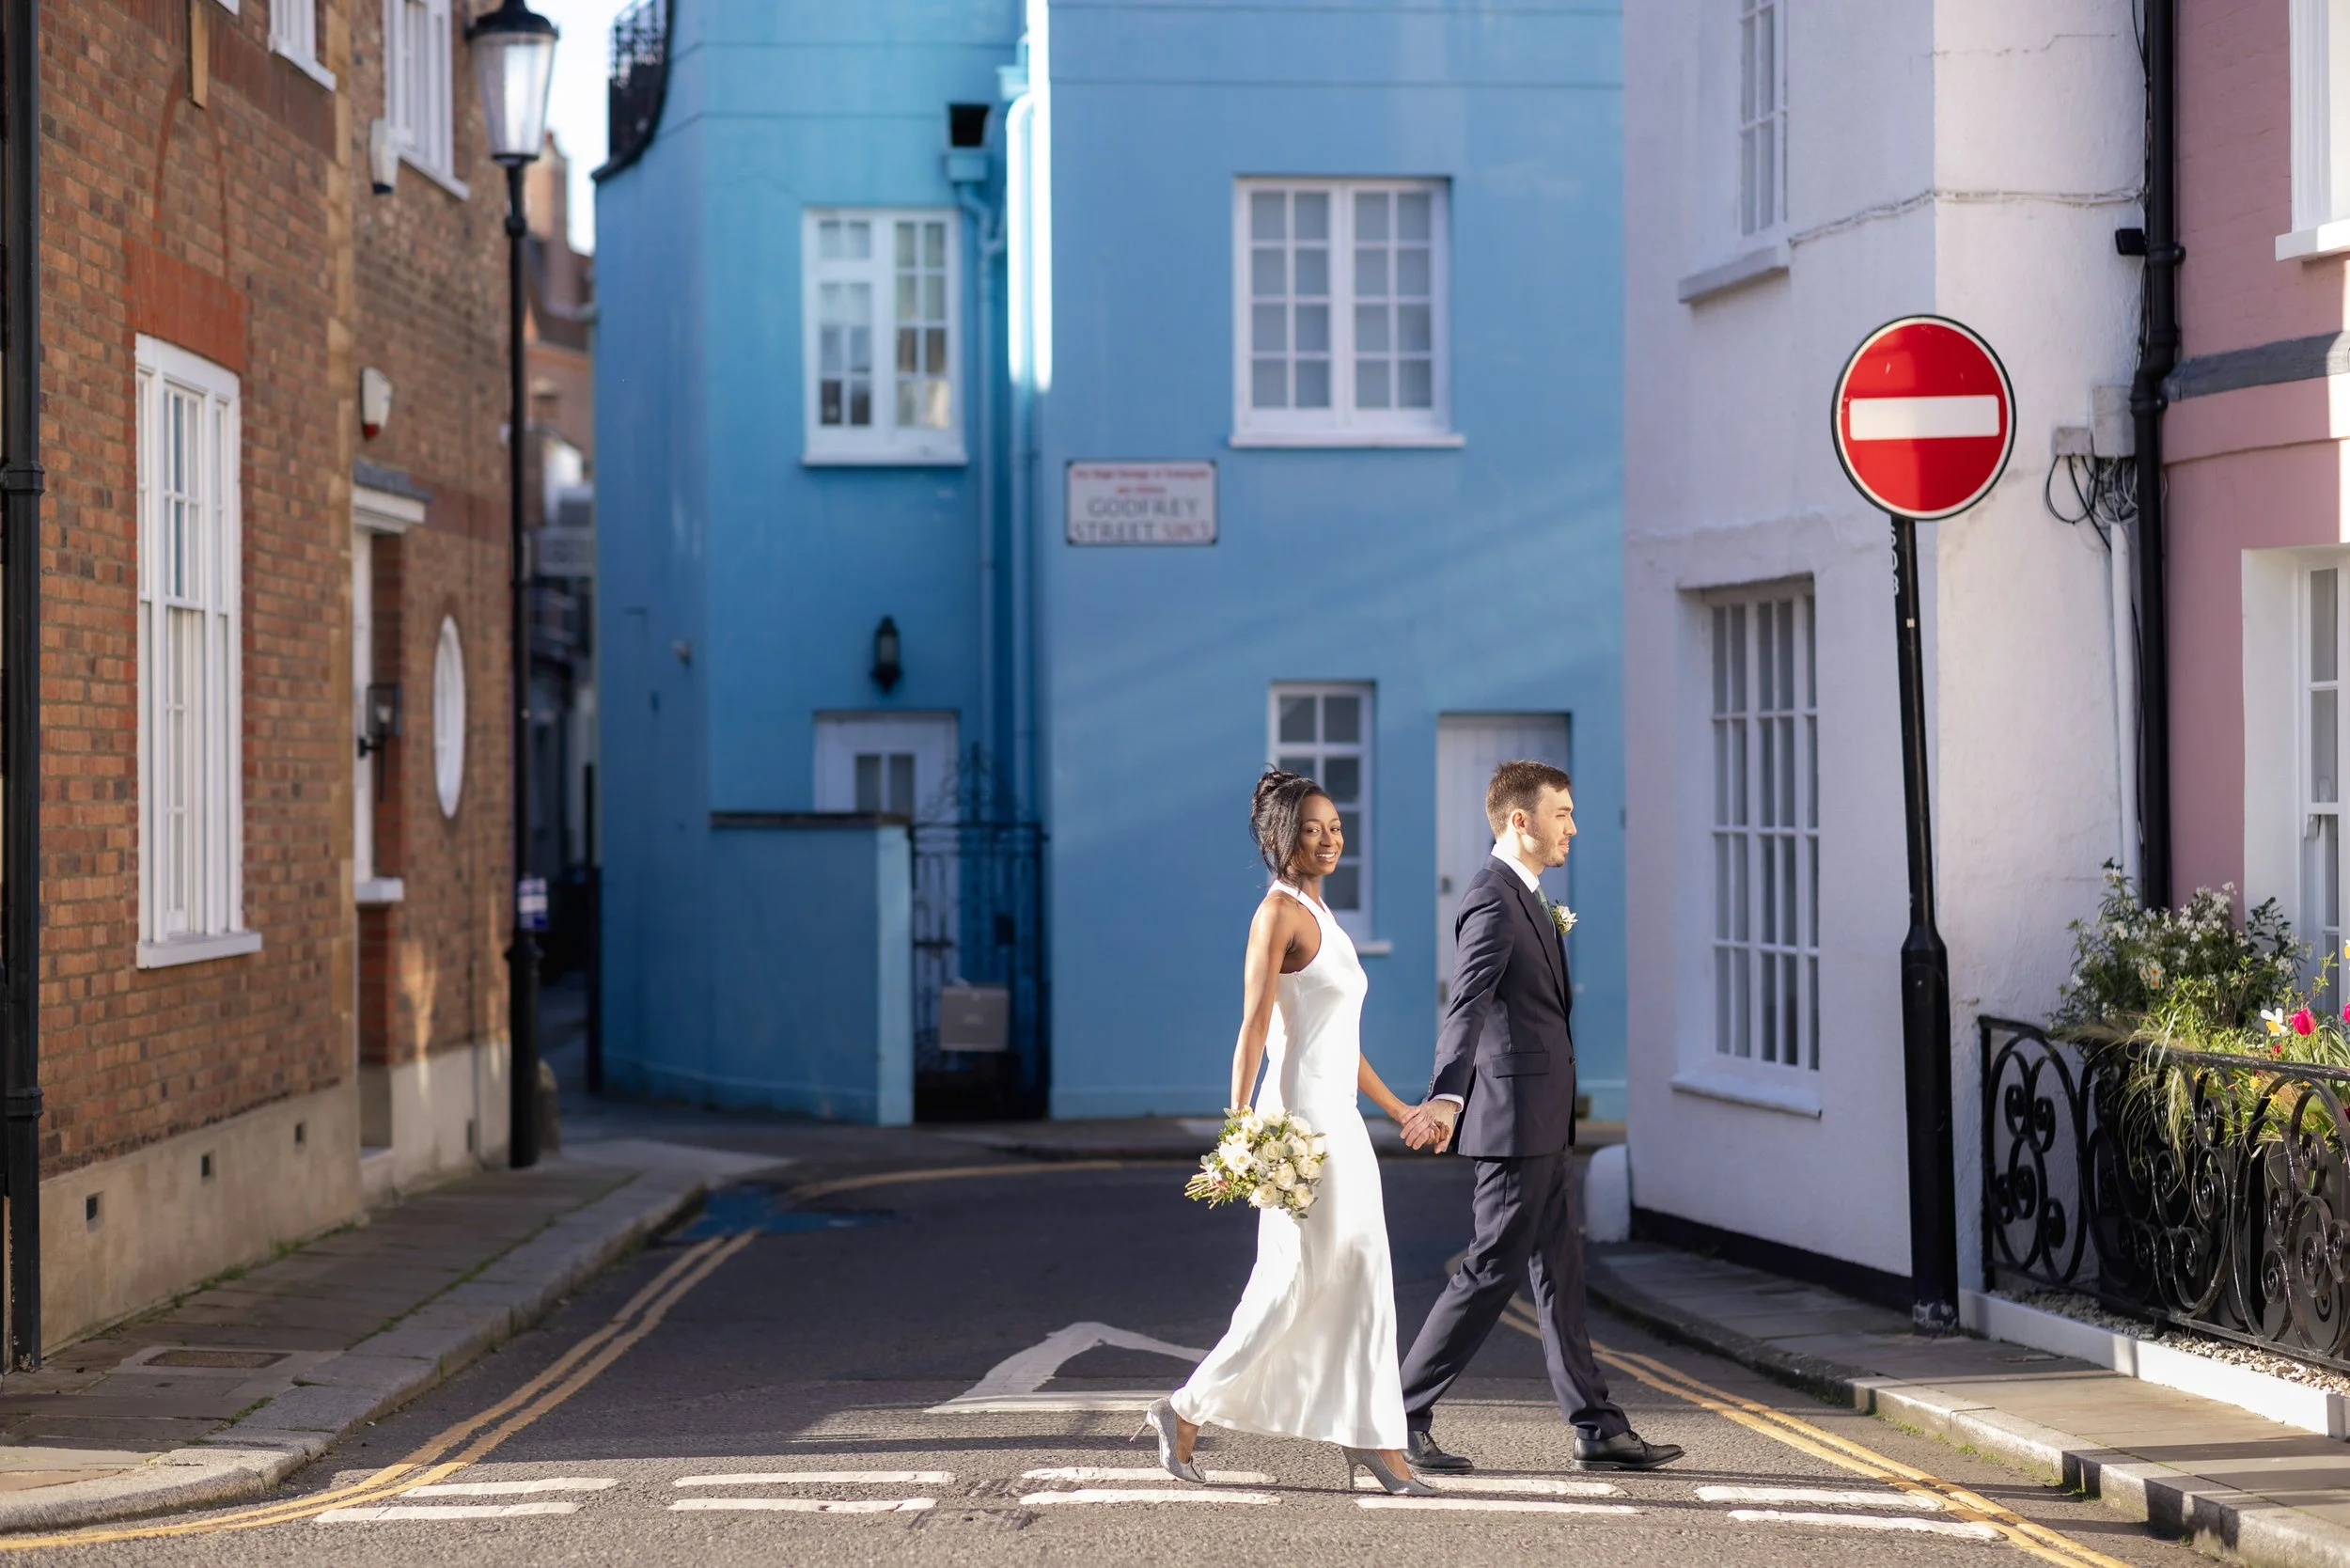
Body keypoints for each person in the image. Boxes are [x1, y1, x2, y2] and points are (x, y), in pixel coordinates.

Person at [1138, 770, 1435, 1496]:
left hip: (1345, 1123)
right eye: (1313, 828)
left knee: (1365, 1271)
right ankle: (1183, 1409)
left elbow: (1340, 1039)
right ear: (1282, 839)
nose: (1331, 838)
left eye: (1336, 826)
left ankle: (1374, 1440)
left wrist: (1396, 1109)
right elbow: (1252, 1028)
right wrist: (1236, 1135)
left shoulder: (1326, 918)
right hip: (1297, 1124)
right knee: (1293, 1279)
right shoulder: (1276, 915)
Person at [1394, 760, 1684, 1475]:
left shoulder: (1526, 895)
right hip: (1514, 1122)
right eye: (1562, 813)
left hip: (1545, 1120)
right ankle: (1398, 1416)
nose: (1573, 828)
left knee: (1560, 1273)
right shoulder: (1493, 900)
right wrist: (1445, 1095)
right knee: (1490, 1270)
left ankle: (1597, 1425)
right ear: (1520, 821)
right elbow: (1465, 1006)